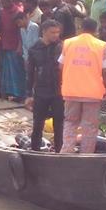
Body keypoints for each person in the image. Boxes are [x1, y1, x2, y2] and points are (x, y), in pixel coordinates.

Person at [59, 18, 106, 154]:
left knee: (70, 122)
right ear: (95, 30)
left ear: (80, 28)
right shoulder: (101, 45)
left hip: (70, 90)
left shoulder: (68, 43)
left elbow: (60, 65)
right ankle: (86, 155)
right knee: (90, 126)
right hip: (93, 93)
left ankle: (67, 151)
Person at [24, 20, 64, 151]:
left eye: (57, 32)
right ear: (44, 32)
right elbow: (30, 73)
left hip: (58, 91)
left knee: (59, 123)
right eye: (52, 32)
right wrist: (29, 94)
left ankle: (59, 150)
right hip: (41, 91)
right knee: (38, 123)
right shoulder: (35, 49)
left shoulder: (61, 47)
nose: (56, 35)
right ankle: (35, 150)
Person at [0, 0, 25, 101]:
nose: (3, 4)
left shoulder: (18, 12)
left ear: (10, 0)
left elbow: (20, 31)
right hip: (4, 44)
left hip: (14, 45)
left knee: (16, 70)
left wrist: (19, 46)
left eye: (5, 1)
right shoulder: (2, 12)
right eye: (2, 2)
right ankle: (8, 92)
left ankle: (19, 94)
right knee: (6, 71)